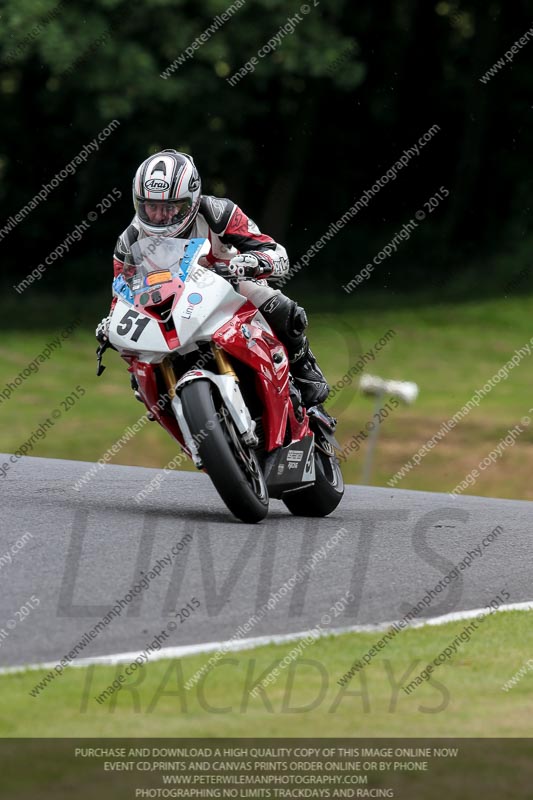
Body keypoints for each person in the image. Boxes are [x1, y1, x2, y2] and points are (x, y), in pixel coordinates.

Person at [96, 149, 329, 408]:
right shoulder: (129, 241)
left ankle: (304, 368)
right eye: (151, 206)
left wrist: (255, 262)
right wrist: (109, 323)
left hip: (227, 285)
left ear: (192, 199)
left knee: (278, 305)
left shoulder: (218, 211)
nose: (160, 216)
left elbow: (273, 250)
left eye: (170, 207)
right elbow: (121, 294)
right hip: (170, 306)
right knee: (141, 379)